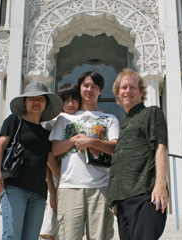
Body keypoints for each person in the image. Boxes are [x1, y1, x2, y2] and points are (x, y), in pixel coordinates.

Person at [49, 71, 120, 240]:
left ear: (101, 91)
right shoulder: (64, 118)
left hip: (101, 187)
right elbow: (55, 149)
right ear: (80, 88)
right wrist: (73, 141)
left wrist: (91, 142)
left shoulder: (109, 118)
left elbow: (115, 148)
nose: (90, 89)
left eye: (94, 86)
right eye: (86, 85)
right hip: (69, 186)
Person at [0, 82, 63, 240]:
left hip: (38, 192)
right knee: (12, 235)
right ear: (25, 102)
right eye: (31, 98)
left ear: (46, 103)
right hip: (15, 188)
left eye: (40, 99)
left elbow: (51, 167)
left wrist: (52, 191)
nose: (36, 102)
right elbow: (0, 146)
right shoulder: (14, 121)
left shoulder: (45, 134)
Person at [108, 68, 169, 240]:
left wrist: (160, 185)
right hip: (123, 200)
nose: (128, 91)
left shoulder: (151, 112)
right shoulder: (125, 124)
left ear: (141, 92)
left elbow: (161, 148)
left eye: (133, 87)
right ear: (118, 94)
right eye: (124, 88)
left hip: (145, 196)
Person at [40, 83, 81, 240]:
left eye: (74, 99)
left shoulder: (84, 119)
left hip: (77, 178)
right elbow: (47, 157)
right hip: (58, 178)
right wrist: (51, 189)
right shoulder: (53, 122)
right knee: (51, 225)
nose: (70, 104)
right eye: (66, 100)